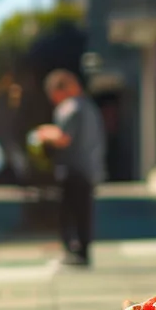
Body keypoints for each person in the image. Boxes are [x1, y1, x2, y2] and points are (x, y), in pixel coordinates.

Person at [31, 69, 106, 266]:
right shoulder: (89, 107)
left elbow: (63, 138)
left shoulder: (71, 108)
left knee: (70, 213)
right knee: (83, 212)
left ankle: (74, 252)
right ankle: (82, 252)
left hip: (73, 168)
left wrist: (43, 134)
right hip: (89, 167)